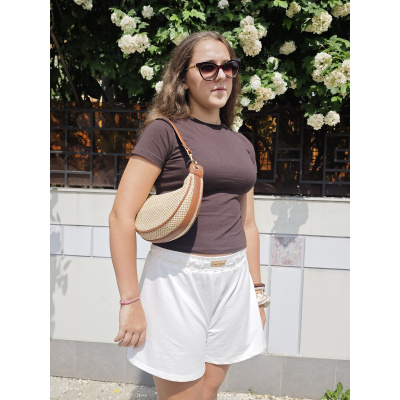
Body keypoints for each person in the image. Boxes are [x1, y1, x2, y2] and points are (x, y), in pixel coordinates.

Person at [109, 31, 267, 400]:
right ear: (183, 78)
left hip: (233, 279)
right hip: (178, 279)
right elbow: (121, 217)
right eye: (208, 67)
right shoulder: (164, 132)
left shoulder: (242, 143)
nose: (221, 75)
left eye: (229, 66)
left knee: (209, 390)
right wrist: (130, 301)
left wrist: (257, 294)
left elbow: (248, 224)